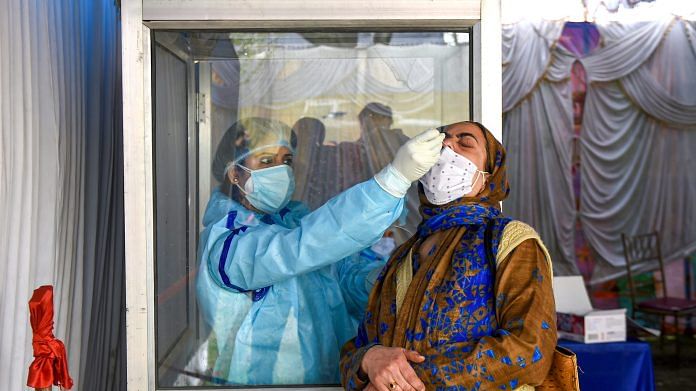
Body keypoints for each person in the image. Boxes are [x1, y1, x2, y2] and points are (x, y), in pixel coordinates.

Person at [196, 117, 445, 385]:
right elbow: (302, 248)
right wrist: (392, 182)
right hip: (261, 383)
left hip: (331, 377)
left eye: (287, 160)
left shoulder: (292, 221)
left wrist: (394, 279)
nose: (281, 170)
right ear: (235, 173)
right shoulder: (227, 243)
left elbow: (343, 278)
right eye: (267, 161)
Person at [340, 121, 557, 391]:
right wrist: (369, 360)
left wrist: (404, 381)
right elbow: (357, 348)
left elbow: (529, 350)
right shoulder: (403, 255)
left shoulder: (508, 240)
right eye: (441, 141)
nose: (447, 148)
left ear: (488, 175)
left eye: (465, 143)